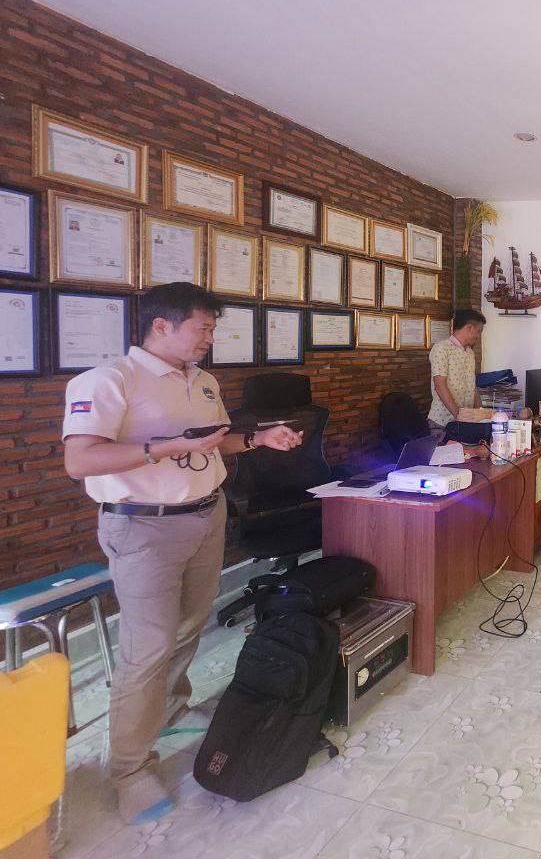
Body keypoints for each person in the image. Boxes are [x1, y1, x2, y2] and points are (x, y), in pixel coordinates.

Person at [62, 283, 303, 823]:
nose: (209, 338)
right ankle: (128, 768)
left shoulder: (203, 380)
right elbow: (80, 460)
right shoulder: (109, 380)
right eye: (203, 328)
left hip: (205, 513)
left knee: (191, 623)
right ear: (162, 325)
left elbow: (214, 442)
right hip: (142, 527)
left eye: (212, 328)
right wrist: (167, 448)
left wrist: (259, 440)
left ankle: (172, 708)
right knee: (147, 648)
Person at [429, 309, 485, 428]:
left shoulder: (469, 352)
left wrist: (482, 414)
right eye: (479, 331)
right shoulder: (441, 348)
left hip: (465, 422)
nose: (478, 337)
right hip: (443, 423)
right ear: (469, 327)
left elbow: (472, 386)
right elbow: (440, 386)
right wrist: (459, 416)